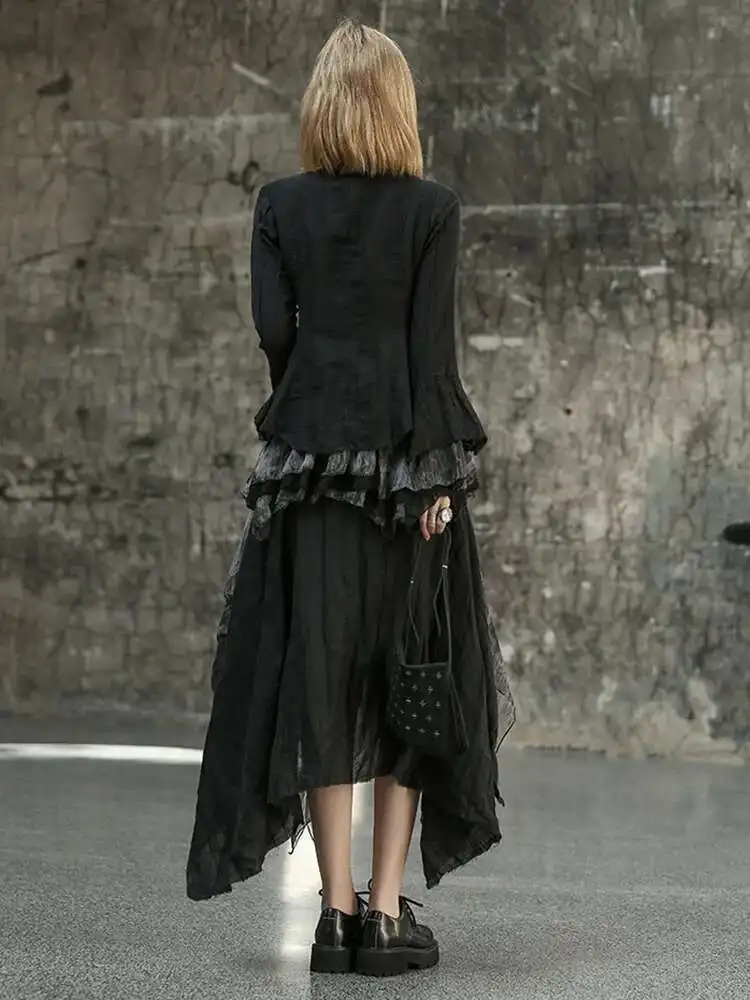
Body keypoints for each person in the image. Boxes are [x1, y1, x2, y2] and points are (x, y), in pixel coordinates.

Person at [186, 18, 515, 979]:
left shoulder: (279, 205)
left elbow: (273, 332)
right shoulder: (432, 209)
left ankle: (330, 918)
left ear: (322, 106)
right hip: (408, 474)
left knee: (321, 678)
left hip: (309, 469)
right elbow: (431, 353)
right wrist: (436, 478)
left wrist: (313, 406)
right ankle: (384, 912)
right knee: (411, 678)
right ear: (398, 108)